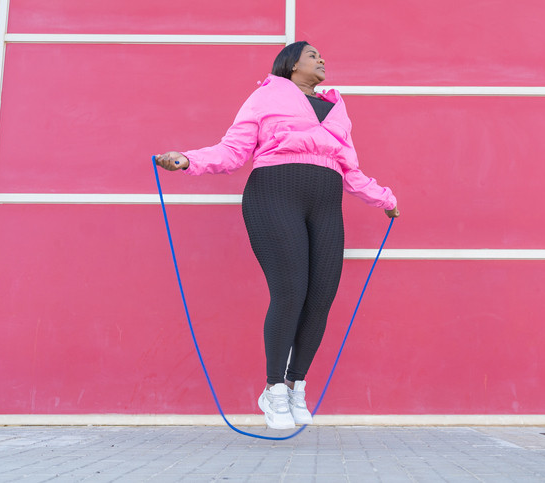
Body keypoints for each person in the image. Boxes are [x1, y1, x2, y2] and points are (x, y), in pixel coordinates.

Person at [155, 41, 400, 430]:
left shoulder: (337, 107)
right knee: (290, 292)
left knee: (321, 296)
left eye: (323, 55)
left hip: (324, 203)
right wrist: (188, 160)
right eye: (312, 55)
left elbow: (349, 168)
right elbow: (233, 151)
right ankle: (273, 391)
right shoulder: (264, 96)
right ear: (290, 64)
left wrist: (383, 197)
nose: (322, 59)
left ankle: (295, 383)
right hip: (274, 194)